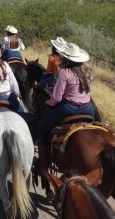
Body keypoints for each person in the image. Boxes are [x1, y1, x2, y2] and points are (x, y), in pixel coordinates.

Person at [37, 41, 95, 198]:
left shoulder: (64, 72)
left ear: (67, 58)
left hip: (68, 109)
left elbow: (56, 97)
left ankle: (43, 167)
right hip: (88, 108)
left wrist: (49, 103)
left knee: (42, 129)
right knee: (96, 127)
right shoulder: (88, 71)